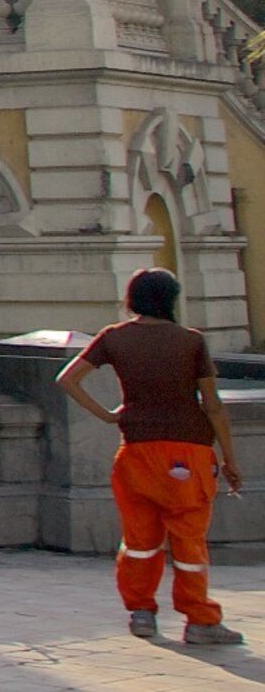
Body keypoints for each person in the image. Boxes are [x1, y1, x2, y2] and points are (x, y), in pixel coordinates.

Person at [57, 268, 245, 646]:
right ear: (171, 299)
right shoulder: (191, 341)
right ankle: (200, 621)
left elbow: (67, 379)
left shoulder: (114, 337)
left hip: (136, 451)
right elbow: (212, 405)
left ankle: (141, 613)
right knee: (189, 541)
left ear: (132, 298)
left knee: (140, 539)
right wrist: (230, 459)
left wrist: (109, 414)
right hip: (188, 453)